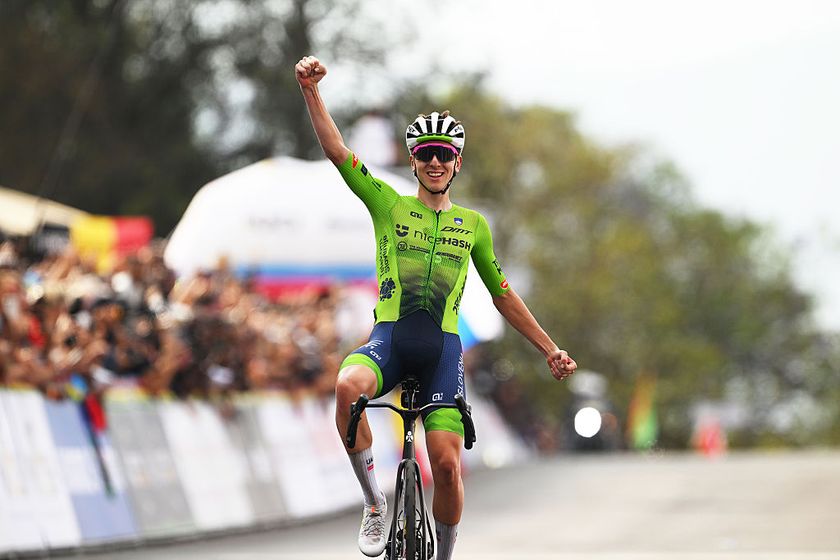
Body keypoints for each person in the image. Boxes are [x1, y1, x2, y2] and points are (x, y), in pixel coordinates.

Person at [295, 55, 578, 559]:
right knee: (346, 387)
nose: (435, 162)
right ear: (413, 160)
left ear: (456, 163)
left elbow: (503, 294)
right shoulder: (388, 204)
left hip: (442, 353)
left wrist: (549, 349)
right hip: (390, 340)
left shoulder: (474, 225)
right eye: (426, 153)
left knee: (446, 466)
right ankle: (375, 502)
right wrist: (311, 90)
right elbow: (338, 151)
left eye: (444, 155)